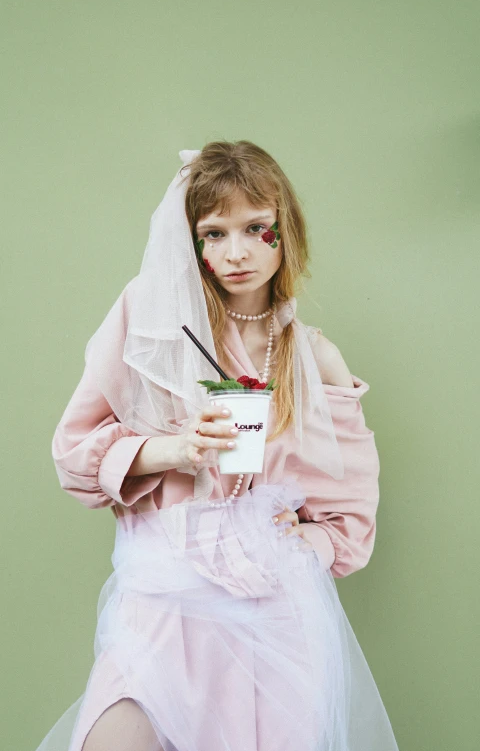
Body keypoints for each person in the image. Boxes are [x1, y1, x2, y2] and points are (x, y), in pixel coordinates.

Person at [34, 142, 400, 751]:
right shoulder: (151, 323)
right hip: (165, 594)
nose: (236, 253)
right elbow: (74, 452)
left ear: (286, 233)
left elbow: (351, 519)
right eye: (213, 233)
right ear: (190, 241)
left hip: (274, 611)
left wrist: (298, 539)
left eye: (258, 229)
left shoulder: (312, 358)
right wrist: (174, 450)